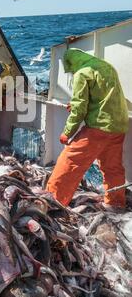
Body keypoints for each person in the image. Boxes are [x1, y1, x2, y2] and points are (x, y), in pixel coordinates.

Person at [46, 48, 129, 210]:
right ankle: (116, 204)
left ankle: (53, 201)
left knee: (70, 161)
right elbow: (104, 97)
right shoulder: (106, 66)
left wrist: (67, 132)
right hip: (118, 127)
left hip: (99, 128)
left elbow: (79, 109)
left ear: (71, 63)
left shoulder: (82, 74)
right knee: (113, 168)